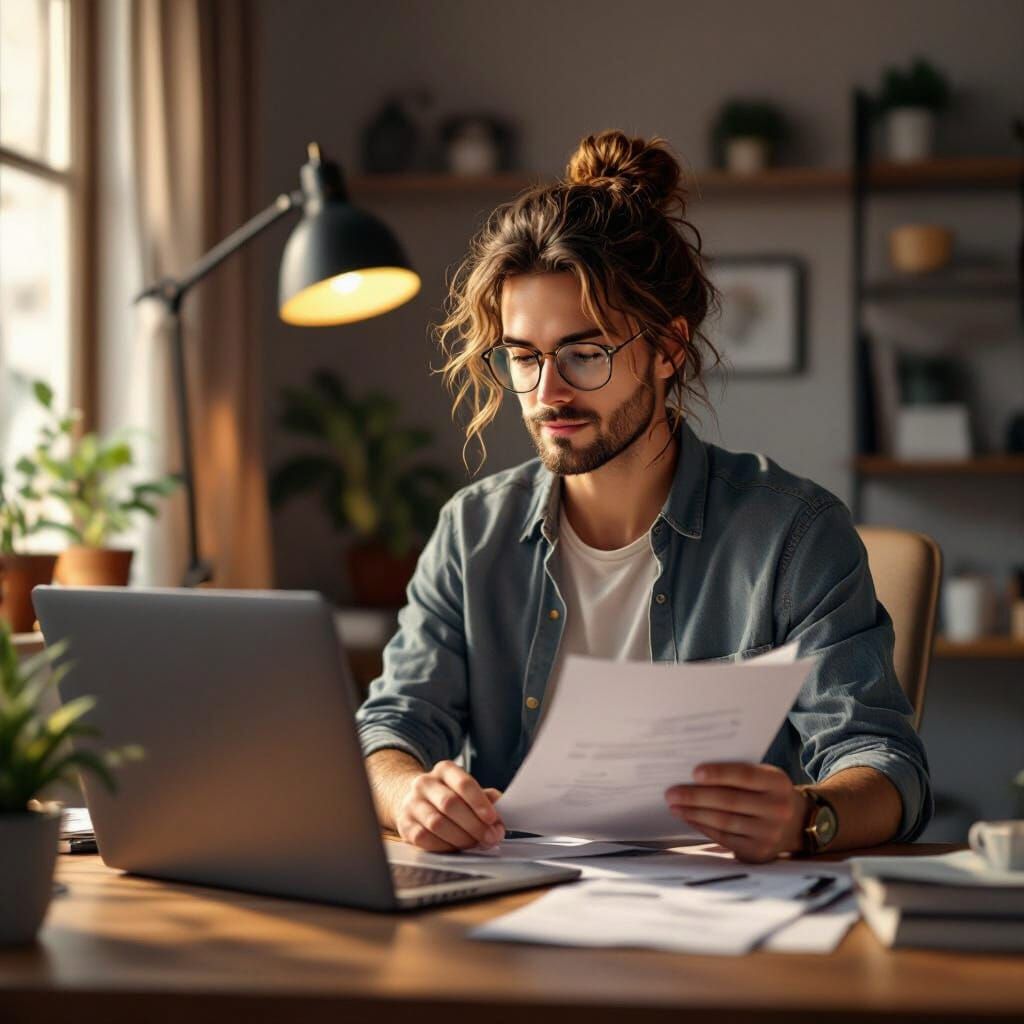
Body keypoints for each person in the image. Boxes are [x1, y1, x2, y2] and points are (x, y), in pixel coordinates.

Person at [355, 130, 932, 863]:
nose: (546, 393)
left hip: (733, 925)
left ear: (668, 350)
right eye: (524, 358)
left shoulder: (793, 533)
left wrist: (807, 815)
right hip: (522, 917)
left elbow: (885, 764)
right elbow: (390, 728)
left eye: (585, 354)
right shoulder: (472, 531)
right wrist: (409, 795)